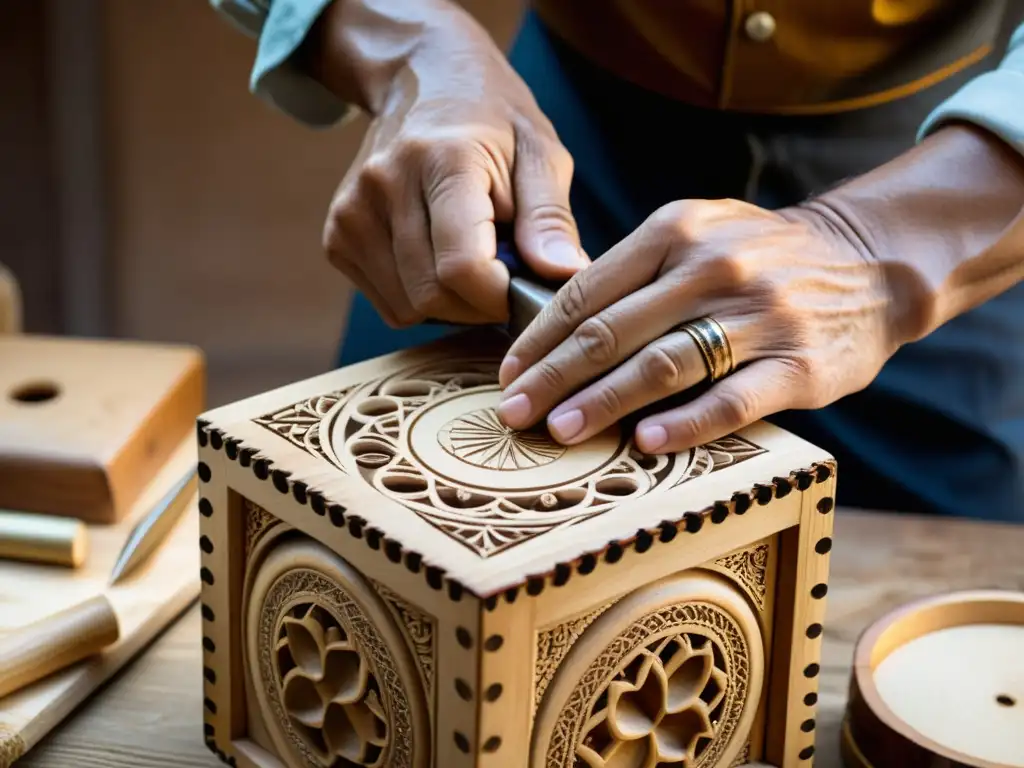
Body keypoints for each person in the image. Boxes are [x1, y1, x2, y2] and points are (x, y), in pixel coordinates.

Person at [211, 0, 1024, 521]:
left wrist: (874, 248)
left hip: (953, 182)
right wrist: (401, 40)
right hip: (546, 160)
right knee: (366, 533)